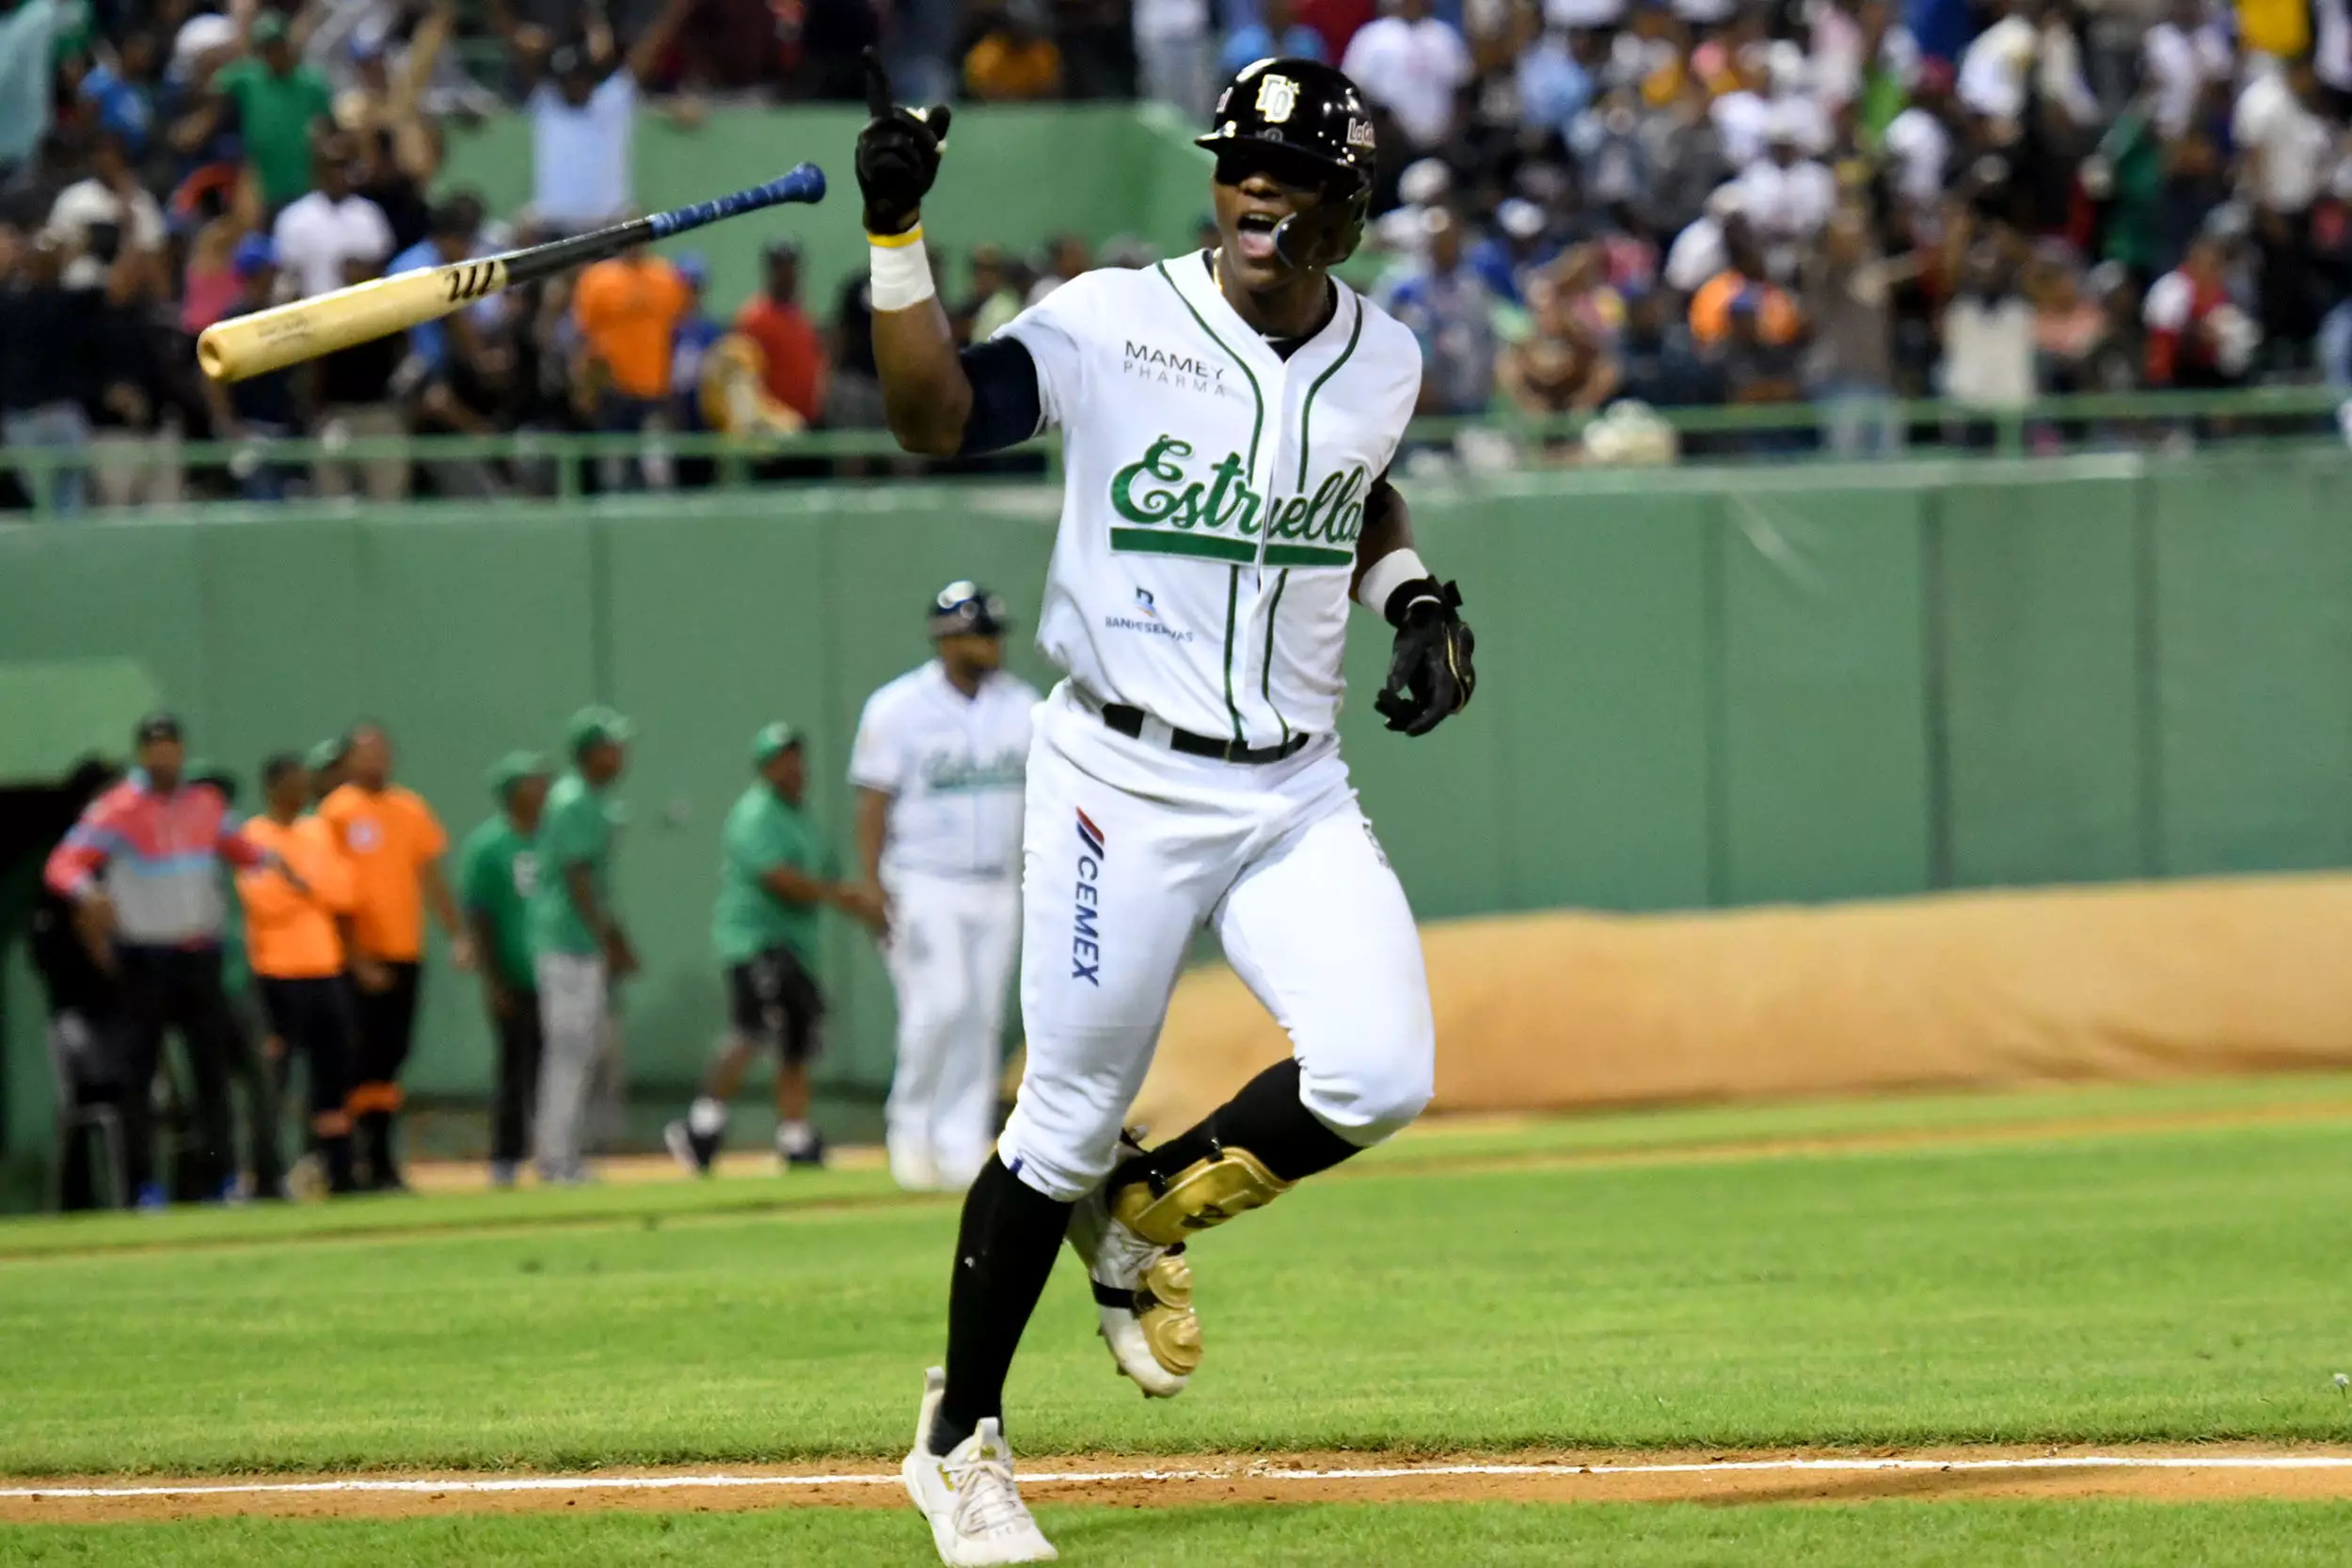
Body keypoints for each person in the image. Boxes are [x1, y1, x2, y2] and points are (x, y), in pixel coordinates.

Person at [859, 54, 1475, 1562]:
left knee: (1382, 1069)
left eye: (1288, 176)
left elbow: (1359, 491)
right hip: (1119, 776)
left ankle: (1148, 1213)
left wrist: (1411, 597)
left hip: (1291, 782)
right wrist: (895, 238)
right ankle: (959, 1442)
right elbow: (935, 412)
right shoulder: (1116, 319)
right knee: (1054, 1116)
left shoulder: (1382, 357)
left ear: (1345, 206)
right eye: (1236, 167)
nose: (1254, 192)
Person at [42, 714, 283, 1207]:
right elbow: (62, 865)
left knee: (210, 1075)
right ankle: (143, 1188)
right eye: (154, 749)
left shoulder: (205, 804)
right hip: (145, 957)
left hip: (199, 955)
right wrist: (87, 893)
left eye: (171, 748)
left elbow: (246, 850)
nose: (164, 757)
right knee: (140, 1078)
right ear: (142, 754)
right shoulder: (116, 810)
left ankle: (221, 1183)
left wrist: (275, 866)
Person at [849, 583, 1039, 1193]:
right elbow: (873, 801)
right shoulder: (897, 706)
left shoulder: (1023, 705)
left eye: (994, 633)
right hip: (924, 880)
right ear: (948, 639)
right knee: (940, 1005)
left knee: (981, 1016)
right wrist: (872, 881)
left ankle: (960, 1144)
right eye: (980, 633)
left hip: (998, 881)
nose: (992, 644)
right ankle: (910, 1132)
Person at [666, 723, 879, 1176]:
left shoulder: (801, 816)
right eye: (784, 758)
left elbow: (828, 876)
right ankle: (700, 1125)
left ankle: (795, 1136)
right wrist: (839, 896)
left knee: (796, 1040)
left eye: (798, 757)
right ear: (764, 767)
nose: (795, 767)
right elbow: (780, 880)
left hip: (795, 947)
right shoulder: (755, 813)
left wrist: (859, 903)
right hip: (754, 941)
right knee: (752, 1029)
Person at [318, 722, 469, 1191]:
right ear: (347, 761)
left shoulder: (410, 808)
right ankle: (352, 1162)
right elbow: (330, 892)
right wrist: (355, 956)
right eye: (366, 753)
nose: (376, 760)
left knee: (392, 1058)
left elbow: (431, 878)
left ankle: (382, 1162)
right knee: (358, 1060)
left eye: (383, 751)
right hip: (360, 957)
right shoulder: (337, 812)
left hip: (405, 953)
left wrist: (457, 933)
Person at [234, 753, 362, 1196]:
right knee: (274, 1080)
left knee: (335, 1074)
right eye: (294, 781)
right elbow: (263, 900)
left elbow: (343, 891)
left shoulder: (318, 830)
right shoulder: (253, 835)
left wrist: (302, 885)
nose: (303, 789)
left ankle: (339, 1170)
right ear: (274, 786)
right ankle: (265, 1176)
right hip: (276, 972)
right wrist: (306, 889)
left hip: (325, 967)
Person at [531, 706, 637, 1187]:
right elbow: (577, 878)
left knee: (583, 1050)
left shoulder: (591, 800)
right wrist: (608, 938)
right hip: (565, 942)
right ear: (591, 753)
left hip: (578, 943)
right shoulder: (573, 799)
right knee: (569, 1050)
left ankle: (562, 1153)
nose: (621, 755)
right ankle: (555, 1158)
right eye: (612, 747)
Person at [459, 752, 553, 1189]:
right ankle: (506, 1157)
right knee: (514, 1070)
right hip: (512, 975)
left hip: (554, 971)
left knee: (554, 1069)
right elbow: (479, 916)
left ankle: (553, 1152)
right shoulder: (489, 846)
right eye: (534, 783)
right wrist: (491, 980)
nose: (544, 790)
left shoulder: (553, 838)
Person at [733, 237, 829, 429]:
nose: (786, 273)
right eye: (779, 266)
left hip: (809, 421)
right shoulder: (755, 318)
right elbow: (745, 380)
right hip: (775, 428)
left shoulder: (802, 313)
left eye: (790, 265)